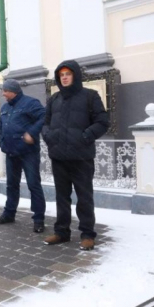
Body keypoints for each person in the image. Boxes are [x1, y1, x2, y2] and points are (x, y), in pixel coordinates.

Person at [42, 60, 109, 251]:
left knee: (84, 197)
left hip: (81, 157)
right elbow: (45, 123)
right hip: (59, 157)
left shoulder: (90, 96)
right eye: (61, 74)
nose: (64, 77)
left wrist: (85, 136)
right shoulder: (54, 99)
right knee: (62, 197)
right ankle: (62, 232)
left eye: (68, 74)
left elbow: (102, 122)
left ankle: (87, 234)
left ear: (76, 76)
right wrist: (49, 137)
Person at [0, 79, 46, 233]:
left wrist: (31, 133)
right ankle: (9, 214)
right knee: (11, 185)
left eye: (5, 91)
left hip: (28, 152)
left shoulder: (30, 103)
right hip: (11, 152)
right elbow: (0, 127)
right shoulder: (5, 107)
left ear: (14, 91)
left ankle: (38, 219)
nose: (3, 94)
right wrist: (2, 142)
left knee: (33, 184)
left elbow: (44, 117)